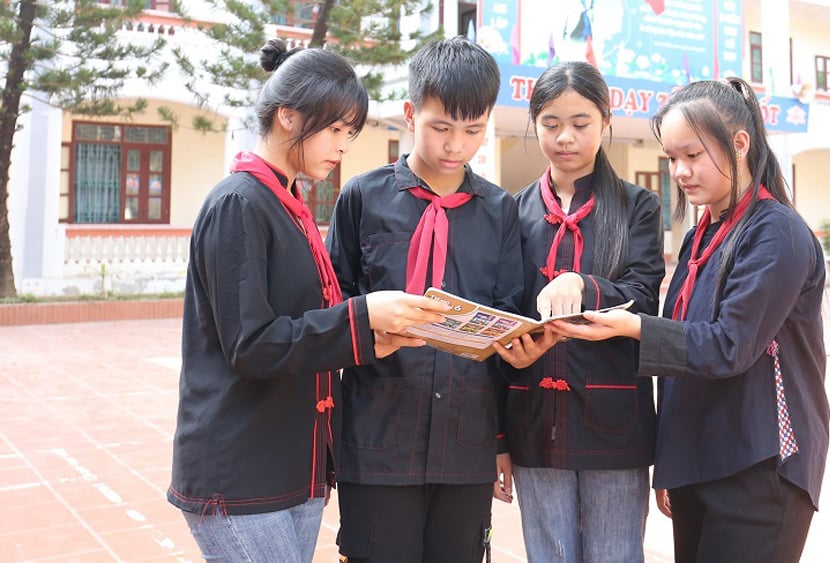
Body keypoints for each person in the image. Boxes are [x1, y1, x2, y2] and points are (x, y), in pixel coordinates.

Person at [167, 39, 450, 563]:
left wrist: (376, 335)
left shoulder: (287, 201)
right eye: (335, 129)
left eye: (350, 133)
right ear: (289, 118)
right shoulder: (239, 204)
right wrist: (361, 319)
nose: (342, 145)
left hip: (294, 462)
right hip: (241, 470)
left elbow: (306, 323)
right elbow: (250, 343)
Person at [551, 77, 830, 563]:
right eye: (672, 158)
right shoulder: (701, 234)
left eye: (693, 156)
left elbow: (727, 346)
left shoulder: (776, 233)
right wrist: (674, 467)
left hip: (760, 469)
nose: (680, 171)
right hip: (703, 464)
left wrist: (632, 327)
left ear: (739, 143)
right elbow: (684, 353)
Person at [325, 36, 522, 563]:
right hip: (378, 439)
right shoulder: (362, 198)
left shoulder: (500, 212)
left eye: (473, 130)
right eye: (441, 127)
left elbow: (507, 317)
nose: (456, 144)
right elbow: (330, 309)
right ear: (411, 113)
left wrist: (501, 438)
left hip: (467, 442)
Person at [492, 61, 664, 562]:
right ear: (534, 125)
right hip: (534, 420)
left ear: (607, 122)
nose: (565, 137)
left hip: (615, 423)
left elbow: (646, 297)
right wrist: (499, 436)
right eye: (550, 124)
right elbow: (501, 311)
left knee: (616, 554)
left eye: (581, 123)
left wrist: (582, 284)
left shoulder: (640, 207)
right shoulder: (512, 212)